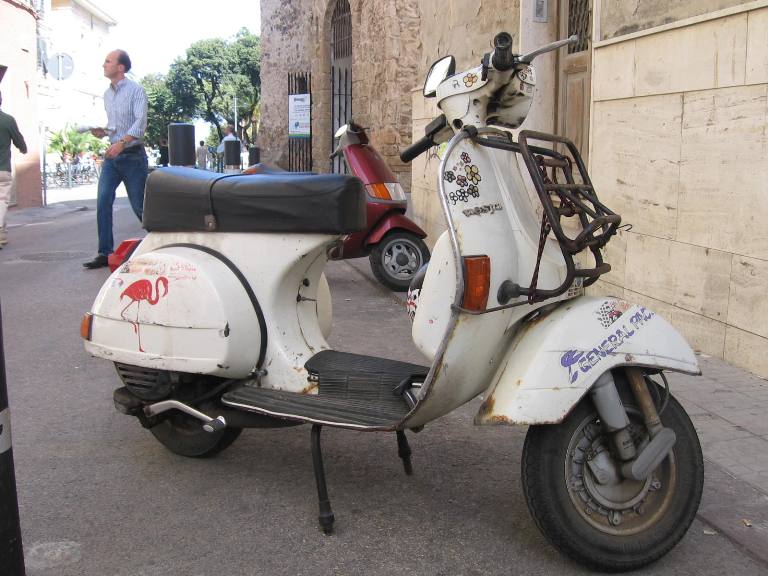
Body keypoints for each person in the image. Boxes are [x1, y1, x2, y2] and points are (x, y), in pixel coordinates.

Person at [83, 49, 148, 269]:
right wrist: (105, 132)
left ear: (120, 67)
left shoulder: (136, 90)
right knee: (103, 202)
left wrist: (122, 142)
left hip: (132, 156)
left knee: (140, 206)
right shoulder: (107, 94)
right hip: (113, 157)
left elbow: (140, 124)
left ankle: (165, 245)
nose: (104, 65)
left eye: (108, 61)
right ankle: (105, 253)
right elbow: (116, 127)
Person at [0, 91, 28, 249]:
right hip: (2, 169)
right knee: (2, 201)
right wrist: (23, 149)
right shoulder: (7, 120)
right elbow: (19, 140)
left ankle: (2, 236)